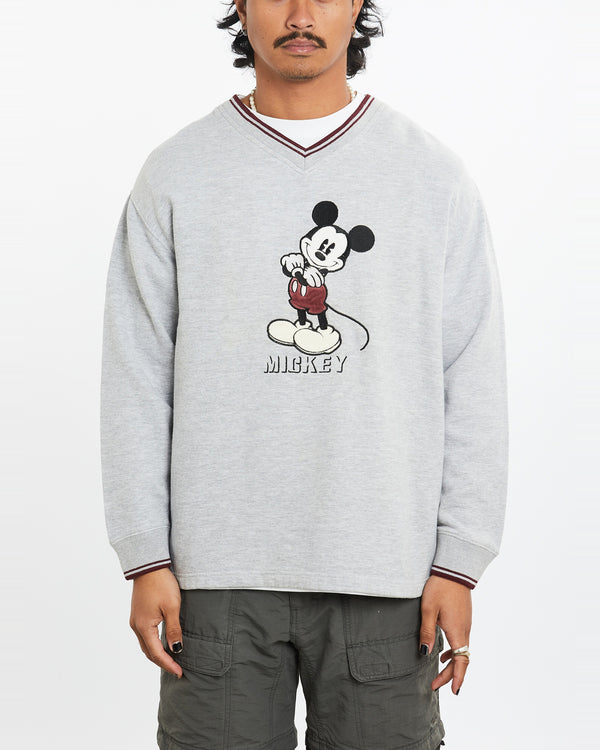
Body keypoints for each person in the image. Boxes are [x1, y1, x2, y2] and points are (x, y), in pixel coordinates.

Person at [100, 1, 509, 748]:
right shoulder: (177, 172)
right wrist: (143, 555)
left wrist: (460, 561)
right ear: (240, 5)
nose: (299, 13)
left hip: (387, 573)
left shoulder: (431, 176)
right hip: (213, 576)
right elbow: (137, 370)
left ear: (357, 5)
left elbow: (473, 375)